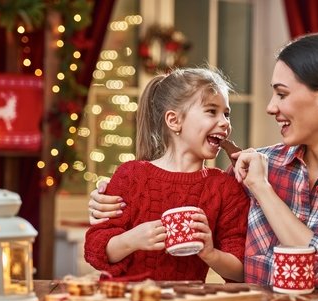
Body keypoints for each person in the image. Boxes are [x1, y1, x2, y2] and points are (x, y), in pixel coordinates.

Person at [88, 33, 318, 289]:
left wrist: (263, 190)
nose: (270, 107)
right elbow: (170, 191)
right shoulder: (250, 166)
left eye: (282, 94)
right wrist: (107, 195)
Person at [84, 68, 249, 283]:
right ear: (174, 121)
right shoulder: (131, 176)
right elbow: (94, 250)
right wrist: (133, 239)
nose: (225, 122)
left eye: (226, 114)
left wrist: (211, 253)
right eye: (211, 111)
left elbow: (241, 270)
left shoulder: (225, 188)